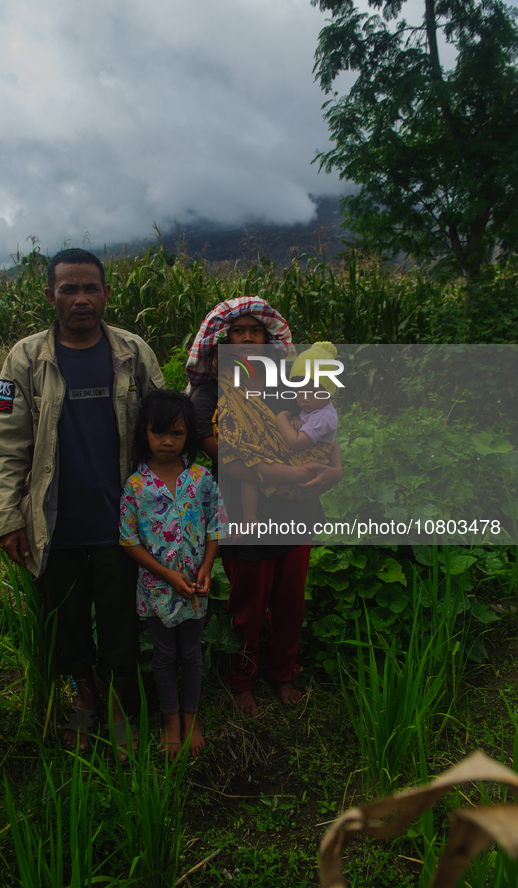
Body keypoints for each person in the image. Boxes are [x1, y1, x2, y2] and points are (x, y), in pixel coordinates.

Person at [0, 247, 165, 757]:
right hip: (52, 525)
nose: (81, 299)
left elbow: (164, 432)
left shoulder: (133, 352)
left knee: (120, 628)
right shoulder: (24, 359)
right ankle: (76, 700)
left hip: (122, 527)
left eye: (90, 288)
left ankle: (120, 704)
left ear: (107, 294)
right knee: (65, 631)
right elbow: (8, 445)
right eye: (69, 289)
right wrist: (5, 517)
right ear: (50, 296)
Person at [187, 298, 343, 715]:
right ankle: (243, 679)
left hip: (298, 511)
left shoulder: (284, 387)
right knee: (248, 606)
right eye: (239, 331)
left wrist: (336, 471)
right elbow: (228, 459)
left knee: (291, 599)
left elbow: (321, 421)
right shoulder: (206, 396)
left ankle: (284, 672)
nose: (249, 338)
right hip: (244, 515)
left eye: (257, 331)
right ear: (221, 344)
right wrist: (290, 475)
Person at [119, 390, 227, 759]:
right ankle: (169, 721)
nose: (167, 441)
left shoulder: (201, 479)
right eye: (159, 432)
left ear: (189, 437)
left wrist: (207, 567)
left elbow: (216, 527)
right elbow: (128, 540)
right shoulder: (135, 485)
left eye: (178, 434)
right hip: (156, 588)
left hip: (196, 587)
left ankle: (191, 717)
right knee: (164, 655)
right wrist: (165, 575)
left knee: (192, 654)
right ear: (144, 433)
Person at [238, 341, 340, 527]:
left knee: (251, 469)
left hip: (300, 478)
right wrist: (296, 420)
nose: (305, 398)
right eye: (300, 391)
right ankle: (250, 518)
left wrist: (282, 418)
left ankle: (249, 518)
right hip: (300, 477)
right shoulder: (316, 409)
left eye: (313, 392)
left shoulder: (323, 416)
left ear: (329, 391)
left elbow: (295, 443)